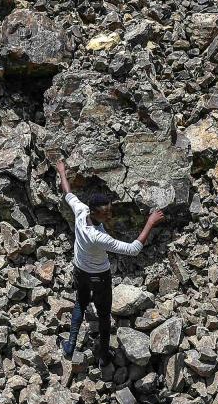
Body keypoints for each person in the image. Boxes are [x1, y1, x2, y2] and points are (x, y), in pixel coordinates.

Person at [55, 159, 165, 371]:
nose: (109, 215)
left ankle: (69, 346)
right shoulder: (97, 236)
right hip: (99, 277)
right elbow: (133, 249)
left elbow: (68, 193)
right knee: (104, 316)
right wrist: (150, 222)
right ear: (95, 213)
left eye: (109, 211)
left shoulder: (81, 211)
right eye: (105, 213)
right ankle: (104, 357)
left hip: (80, 270)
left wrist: (62, 172)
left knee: (80, 303)